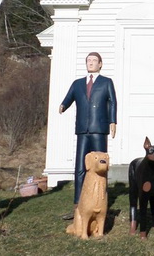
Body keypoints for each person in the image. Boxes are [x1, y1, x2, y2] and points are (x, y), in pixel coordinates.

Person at [59, 52, 117, 209]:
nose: (91, 63)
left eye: (94, 60)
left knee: (100, 165)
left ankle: (100, 198)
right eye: (88, 60)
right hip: (83, 130)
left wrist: (113, 121)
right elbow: (69, 97)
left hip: (99, 129)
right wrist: (63, 105)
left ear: (100, 64)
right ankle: (78, 203)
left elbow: (112, 102)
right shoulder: (77, 83)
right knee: (80, 166)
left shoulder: (106, 82)